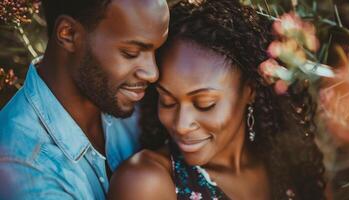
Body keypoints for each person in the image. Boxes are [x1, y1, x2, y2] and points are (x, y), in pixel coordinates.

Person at [108, 0, 326, 199]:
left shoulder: (284, 165)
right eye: (167, 101)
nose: (181, 125)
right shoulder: (146, 182)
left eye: (205, 104)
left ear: (251, 90)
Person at [0, 0, 169, 199]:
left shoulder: (134, 97)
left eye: (157, 51)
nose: (153, 74)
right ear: (68, 33)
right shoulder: (25, 171)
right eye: (131, 53)